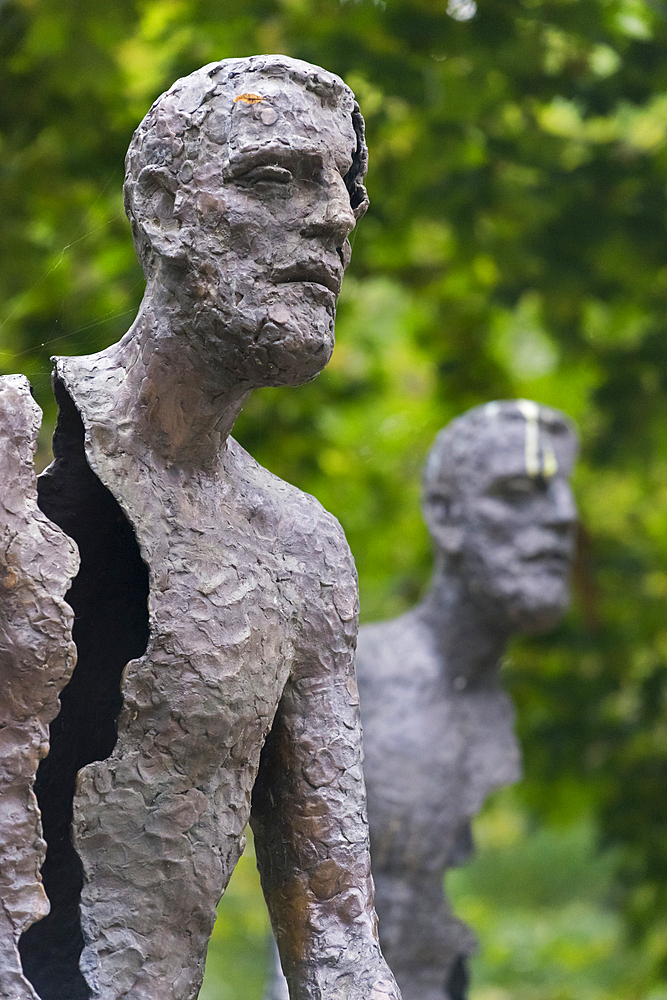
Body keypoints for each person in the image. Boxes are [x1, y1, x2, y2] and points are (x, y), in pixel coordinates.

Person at [17, 55, 399, 1000]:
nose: (333, 219)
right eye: (275, 178)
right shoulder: (7, 463)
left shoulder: (302, 552)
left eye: (346, 190)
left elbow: (340, 940)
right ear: (161, 208)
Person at [356, 400, 578, 1000]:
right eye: (519, 492)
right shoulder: (357, 676)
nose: (564, 516)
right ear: (446, 515)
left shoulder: (506, 708)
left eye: (562, 491)